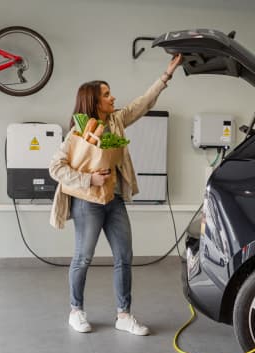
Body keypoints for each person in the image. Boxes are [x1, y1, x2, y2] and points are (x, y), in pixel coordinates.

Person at [49, 54, 183, 335]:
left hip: (115, 200)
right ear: (94, 102)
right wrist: (89, 178)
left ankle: (124, 315)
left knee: (124, 256)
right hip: (87, 203)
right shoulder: (77, 132)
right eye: (107, 95)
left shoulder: (117, 121)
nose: (113, 98)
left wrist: (166, 75)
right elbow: (55, 167)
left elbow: (143, 103)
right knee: (83, 258)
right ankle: (76, 311)